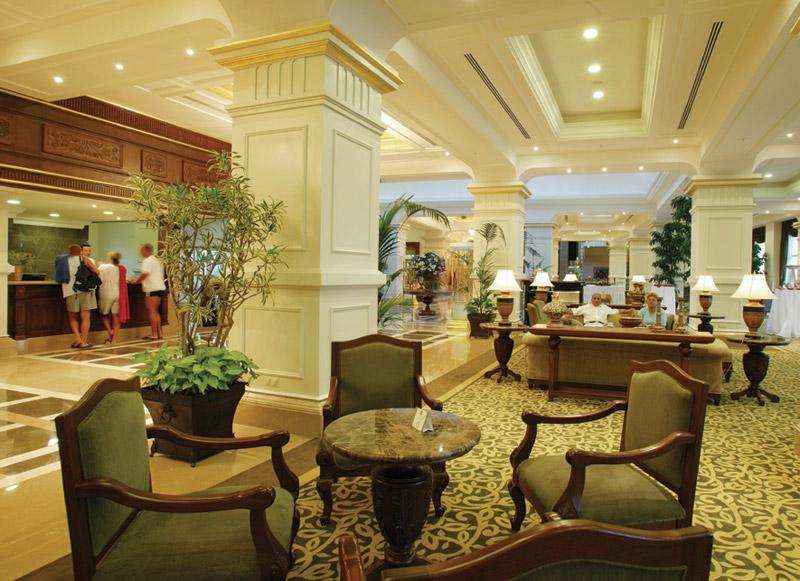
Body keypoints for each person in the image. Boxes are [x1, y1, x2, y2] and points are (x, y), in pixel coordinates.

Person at [62, 243, 100, 348]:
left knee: (72, 316)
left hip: (70, 291)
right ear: (80, 251)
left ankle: (77, 338)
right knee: (85, 316)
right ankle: (83, 342)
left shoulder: (63, 261)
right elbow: (97, 272)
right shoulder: (85, 259)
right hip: (86, 290)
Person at [130, 243, 165, 340]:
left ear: (146, 250)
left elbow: (145, 273)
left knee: (151, 311)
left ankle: (154, 334)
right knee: (156, 311)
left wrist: (136, 280)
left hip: (151, 288)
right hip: (160, 288)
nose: (140, 253)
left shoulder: (147, 260)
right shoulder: (157, 260)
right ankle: (159, 333)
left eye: (141, 250)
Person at [98, 252, 130, 344]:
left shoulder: (102, 267)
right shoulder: (119, 268)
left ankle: (110, 332)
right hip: (118, 294)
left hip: (106, 293)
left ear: (110, 258)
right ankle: (114, 339)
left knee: (104, 315)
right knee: (116, 316)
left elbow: (98, 278)